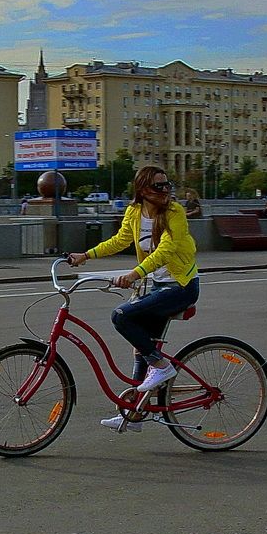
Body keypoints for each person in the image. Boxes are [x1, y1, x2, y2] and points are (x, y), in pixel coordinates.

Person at [68, 166, 200, 433]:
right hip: (158, 285)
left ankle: (161, 367)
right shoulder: (135, 212)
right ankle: (133, 414)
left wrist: (135, 273)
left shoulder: (175, 212)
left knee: (121, 316)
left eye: (167, 185)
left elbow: (167, 249)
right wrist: (86, 255)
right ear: (142, 191)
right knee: (140, 346)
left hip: (181, 285)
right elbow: (119, 241)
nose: (166, 190)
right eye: (159, 186)